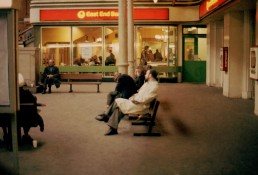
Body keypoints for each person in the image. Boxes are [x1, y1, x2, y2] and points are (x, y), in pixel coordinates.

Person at [102, 69, 159, 135]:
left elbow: (147, 98)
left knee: (118, 101)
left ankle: (107, 116)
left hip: (141, 106)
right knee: (119, 107)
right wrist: (133, 97)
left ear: (150, 75)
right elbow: (140, 93)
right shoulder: (148, 83)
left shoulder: (154, 86)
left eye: (146, 74)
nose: (145, 75)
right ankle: (113, 128)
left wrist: (135, 100)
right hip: (137, 103)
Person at [18, 73, 45, 142]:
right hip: (29, 118)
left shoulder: (11, 96)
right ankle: (26, 134)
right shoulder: (27, 93)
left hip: (15, 117)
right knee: (27, 113)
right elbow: (33, 102)